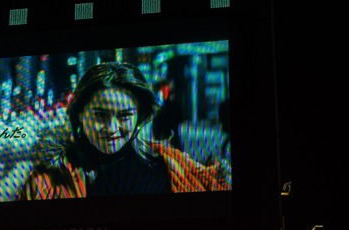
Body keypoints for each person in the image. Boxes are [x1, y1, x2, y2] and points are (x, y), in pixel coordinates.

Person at [18, 62, 230, 201]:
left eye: (124, 116)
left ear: (140, 115)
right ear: (80, 115)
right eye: (100, 115)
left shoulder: (173, 165)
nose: (111, 129)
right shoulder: (44, 183)